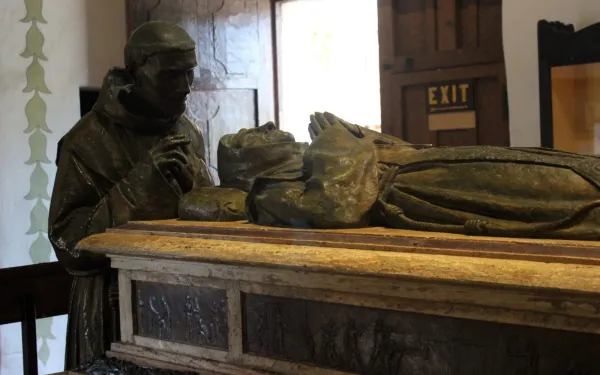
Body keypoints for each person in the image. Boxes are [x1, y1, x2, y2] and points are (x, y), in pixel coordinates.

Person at [48, 21, 213, 369]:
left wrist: (194, 185)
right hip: (111, 304)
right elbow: (69, 242)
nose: (186, 87)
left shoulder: (187, 131)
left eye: (190, 74)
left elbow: (209, 215)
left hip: (185, 297)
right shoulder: (87, 141)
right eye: (171, 75)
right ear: (138, 71)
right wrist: (139, 187)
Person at [247, 112, 600, 240]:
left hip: (431, 165)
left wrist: (369, 138)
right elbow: (335, 208)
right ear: (244, 166)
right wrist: (341, 149)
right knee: (565, 190)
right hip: (420, 188)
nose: (268, 125)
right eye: (247, 136)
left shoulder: (314, 153)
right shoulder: (269, 192)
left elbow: (392, 154)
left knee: (566, 168)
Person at [179, 122, 307, 221]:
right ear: (247, 167)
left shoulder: (313, 164)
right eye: (248, 135)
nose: (269, 124)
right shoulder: (271, 202)